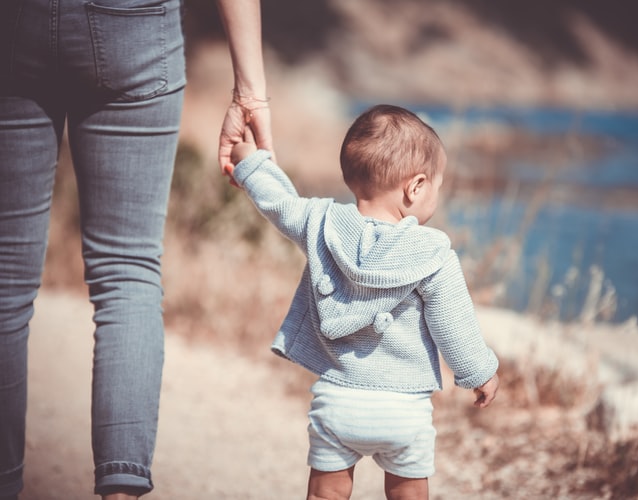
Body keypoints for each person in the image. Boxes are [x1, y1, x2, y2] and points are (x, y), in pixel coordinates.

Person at [0, 0, 271, 498]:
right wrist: (250, 91)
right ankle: (121, 491)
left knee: (4, 281)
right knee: (128, 273)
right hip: (134, 23)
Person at [225, 104, 500, 500]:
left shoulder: (321, 223)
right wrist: (480, 373)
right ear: (416, 186)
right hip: (404, 408)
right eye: (438, 187)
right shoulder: (431, 252)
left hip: (338, 399)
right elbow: (454, 324)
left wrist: (248, 161)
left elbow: (279, 202)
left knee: (326, 494)